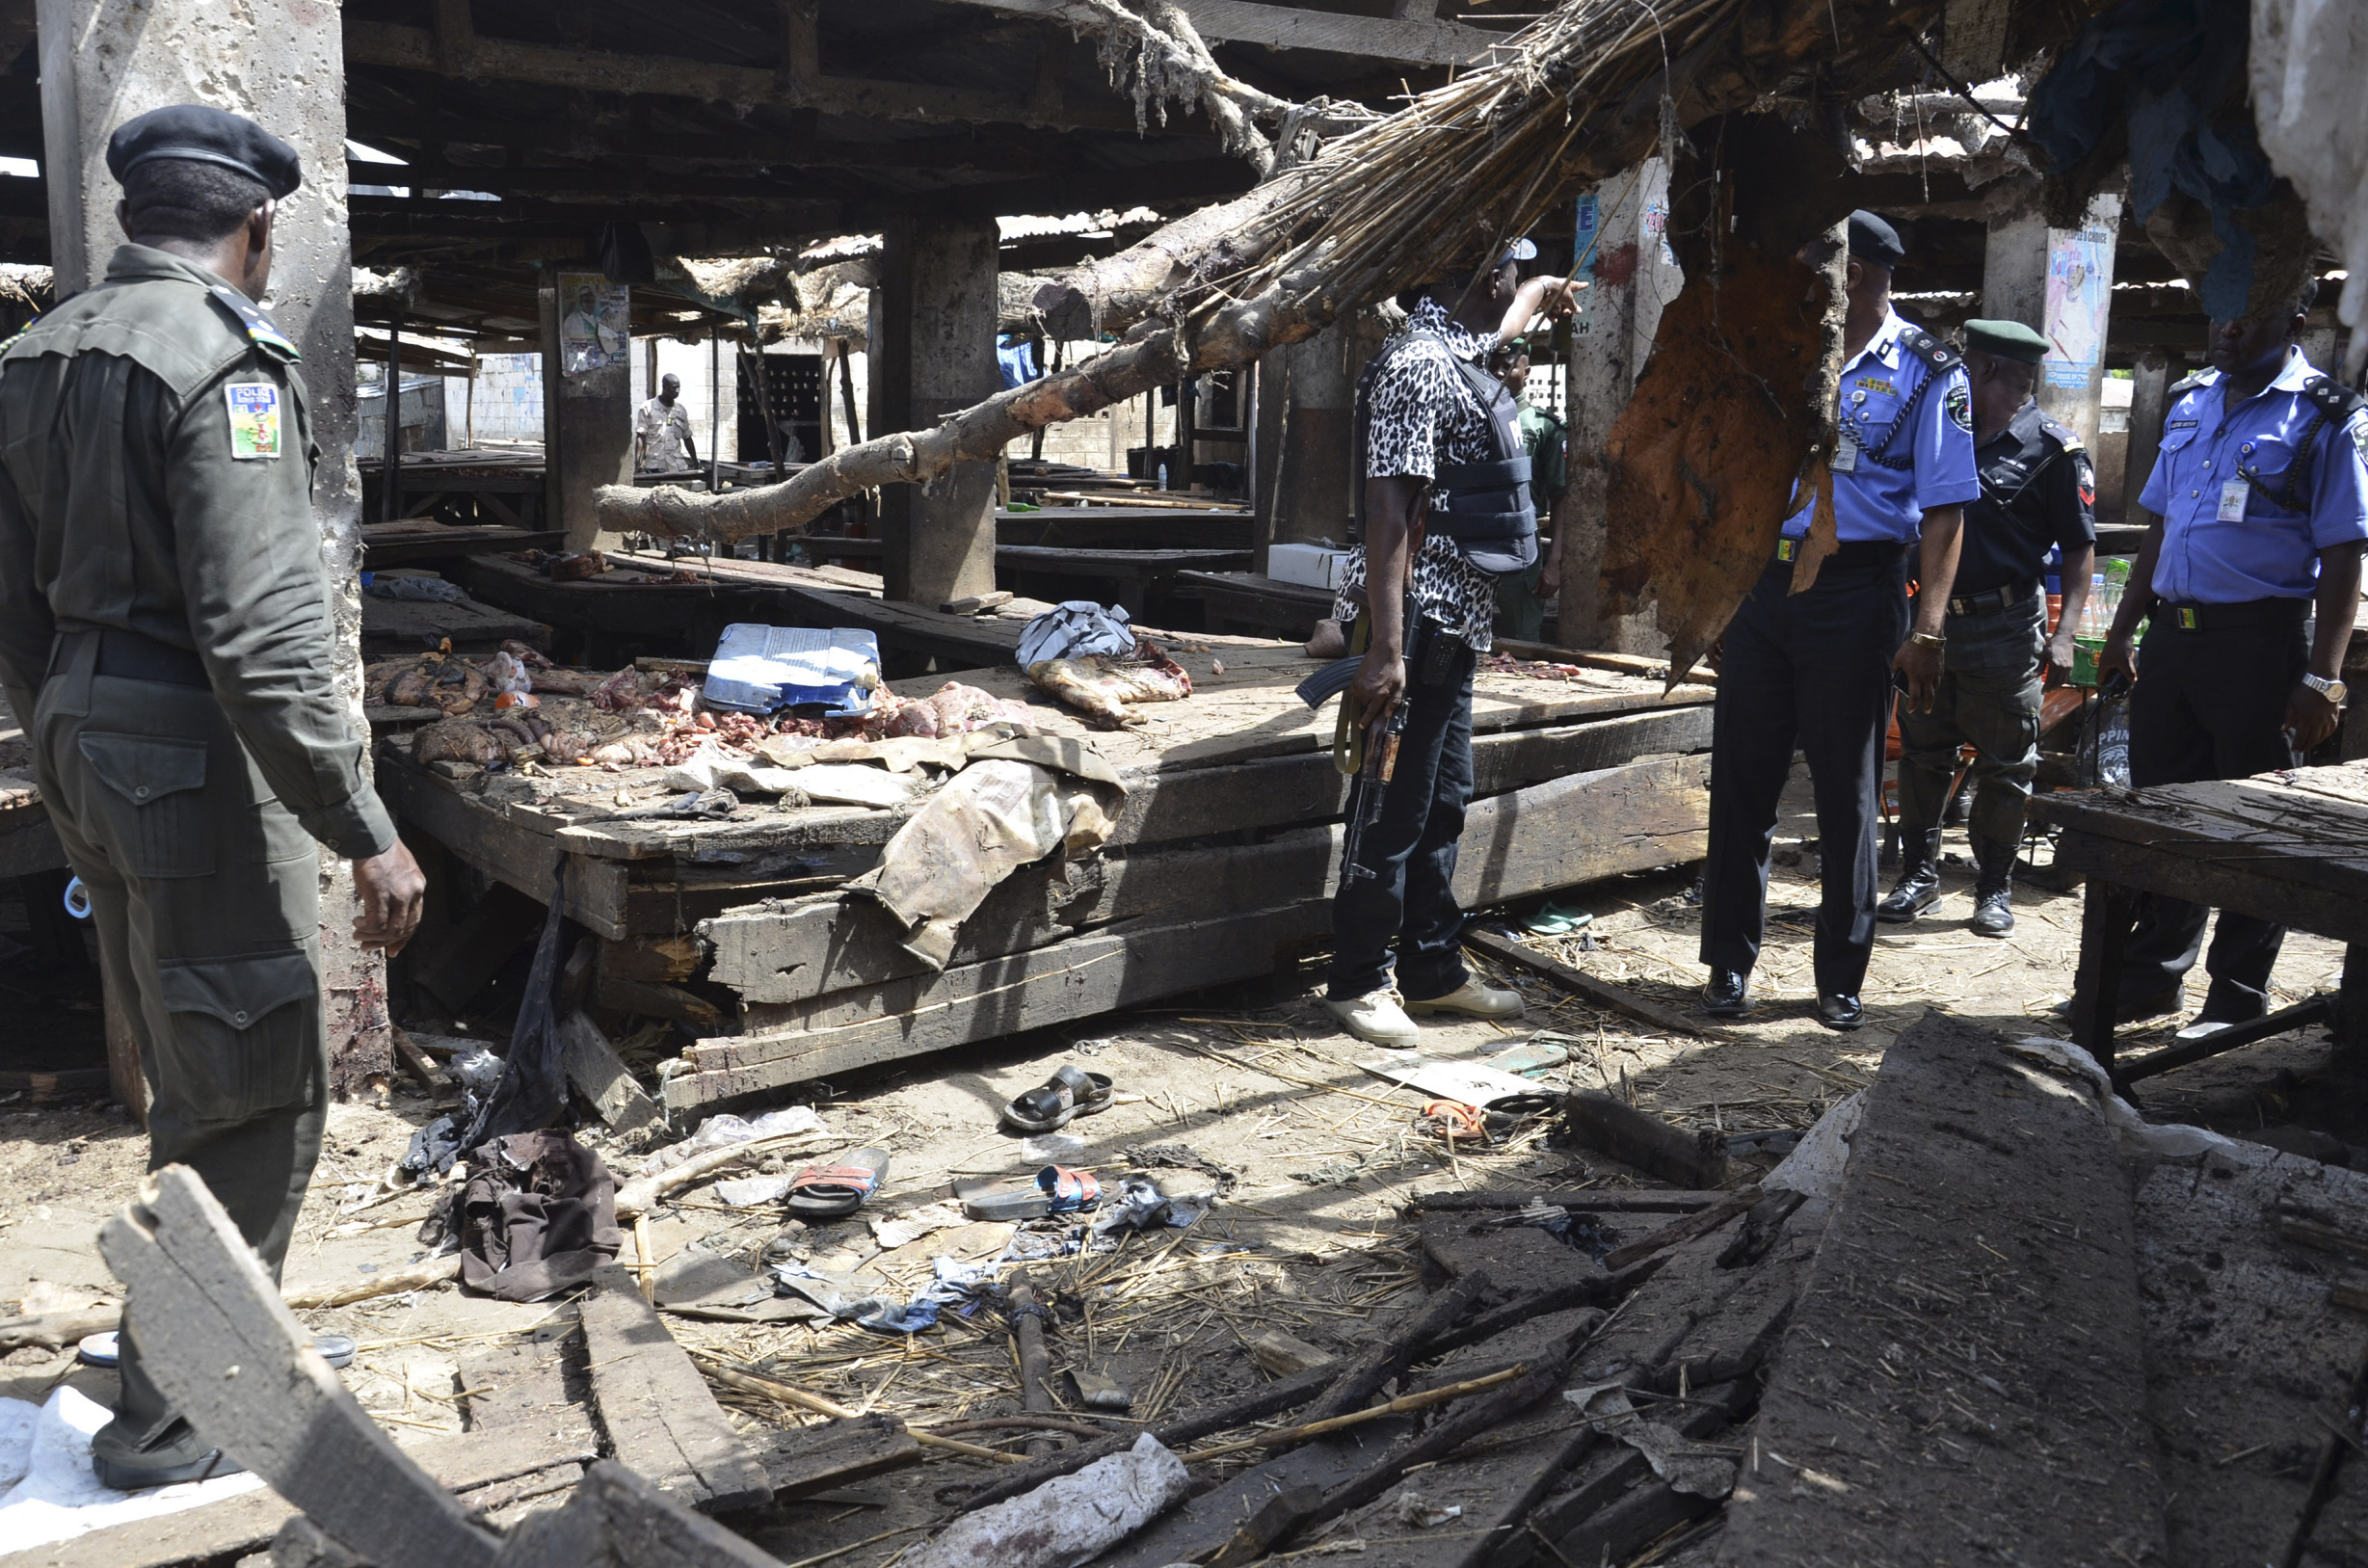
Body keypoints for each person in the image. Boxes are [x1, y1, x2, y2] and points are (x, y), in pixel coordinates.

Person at [0, 104, 426, 1488]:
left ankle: (178, 1339)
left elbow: (11, 602)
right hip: (186, 744)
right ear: (254, 233)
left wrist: (65, 732)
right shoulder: (228, 362)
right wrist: (363, 827)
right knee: (247, 1079)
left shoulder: (33, 355)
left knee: (186, 1055)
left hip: (79, 722)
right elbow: (260, 636)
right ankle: (180, 1422)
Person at [1697, 210, 1979, 1030]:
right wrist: (1717, 596)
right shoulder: (1778, 347)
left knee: (1845, 791)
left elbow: (1945, 512)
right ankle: (1727, 965)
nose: (1799, 272)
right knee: (1741, 782)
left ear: (1853, 273)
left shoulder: (1929, 370)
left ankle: (1838, 976)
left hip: (1855, 594)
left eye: (1815, 260)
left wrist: (1924, 630)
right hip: (1761, 588)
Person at [2089, 280, 2368, 1036]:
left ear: (2295, 323)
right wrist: (2121, 631)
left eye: (2250, 317)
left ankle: (2236, 994)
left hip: (2258, 643)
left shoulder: (2327, 418)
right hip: (2171, 642)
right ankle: (2152, 977)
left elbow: (2344, 554)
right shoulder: (2189, 401)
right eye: (2220, 313)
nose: (2228, 329)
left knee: (2250, 818)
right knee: (2164, 812)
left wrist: (2321, 675)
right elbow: (2158, 528)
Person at [1322, 239, 1582, 1046]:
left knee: (1442, 802)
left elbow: (1505, 322)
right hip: (1418, 621)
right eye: (1513, 262)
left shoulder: (1463, 348)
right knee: (1390, 805)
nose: (1515, 281)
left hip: (1459, 625)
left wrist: (1541, 288)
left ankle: (1431, 969)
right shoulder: (1415, 364)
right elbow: (1388, 513)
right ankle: (1357, 979)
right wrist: (1385, 651)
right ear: (1481, 270)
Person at [1878, 318, 2096, 937]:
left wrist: (2065, 633)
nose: (2023, 390)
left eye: (2026, 380)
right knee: (1923, 750)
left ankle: (1992, 886)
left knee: (2006, 761)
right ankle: (1919, 877)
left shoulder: (2052, 449)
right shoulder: (1936, 430)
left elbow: (2079, 552)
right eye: (2019, 377)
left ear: (1984, 370)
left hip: (2004, 626)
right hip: (1928, 624)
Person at [1487, 335, 1570, 642]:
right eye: (1492, 365)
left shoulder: (1543, 427)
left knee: (1520, 640)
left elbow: (1562, 498)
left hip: (1519, 545)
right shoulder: (1471, 419)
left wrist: (1555, 561)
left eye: (1508, 366)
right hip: (1472, 538)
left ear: (1527, 370)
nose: (1498, 373)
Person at [635, 372, 698, 473]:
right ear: (664, 387)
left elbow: (687, 437)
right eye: (673, 388)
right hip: (654, 465)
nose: (676, 391)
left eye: (678, 388)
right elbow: (641, 436)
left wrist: (695, 461)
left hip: (676, 466)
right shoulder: (647, 408)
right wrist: (638, 462)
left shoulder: (680, 410)